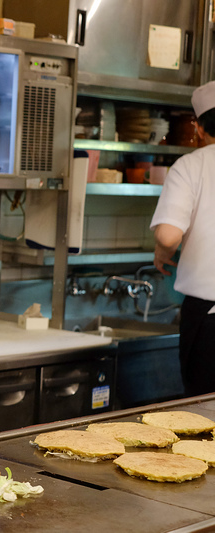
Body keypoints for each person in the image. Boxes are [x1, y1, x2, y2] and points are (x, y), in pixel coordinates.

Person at [151, 80, 215, 397]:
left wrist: (162, 250)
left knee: (204, 421)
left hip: (209, 319)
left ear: (200, 129)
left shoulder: (190, 166)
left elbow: (168, 234)